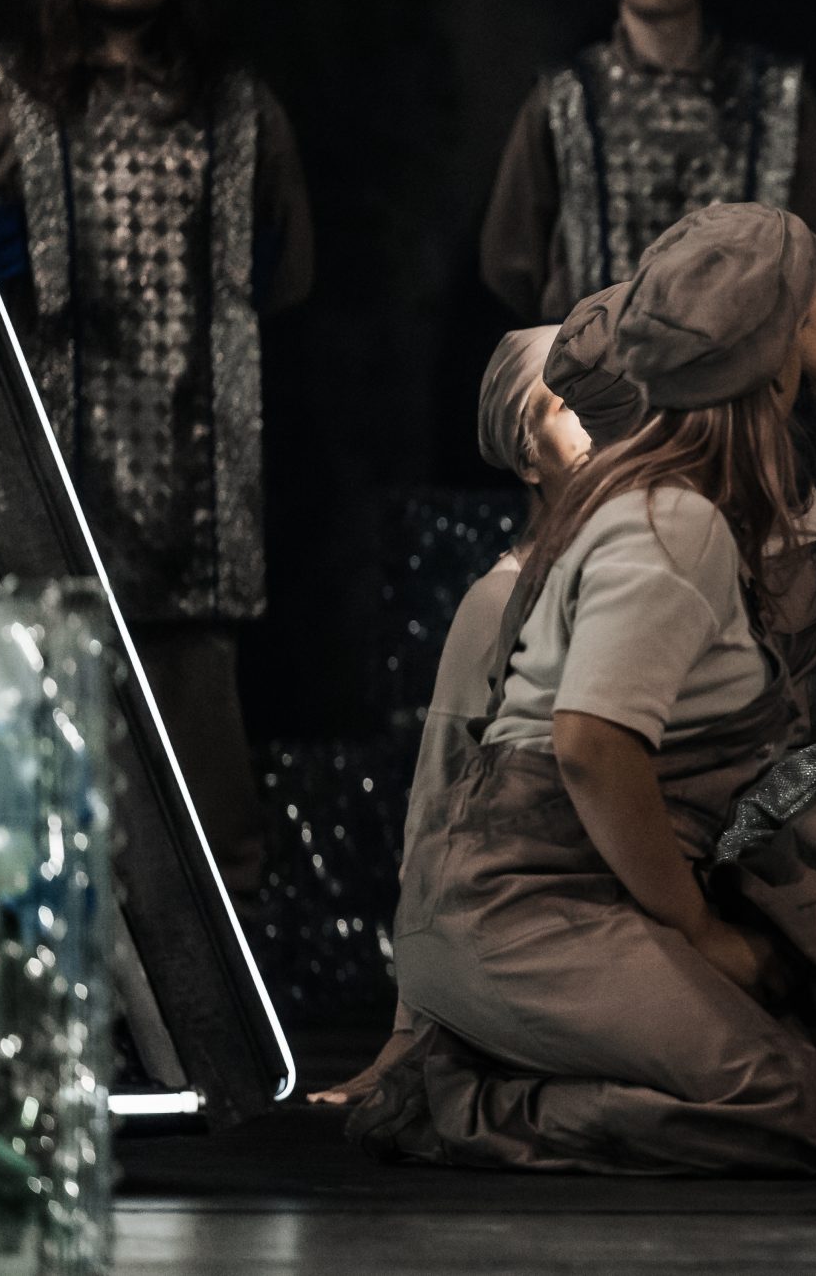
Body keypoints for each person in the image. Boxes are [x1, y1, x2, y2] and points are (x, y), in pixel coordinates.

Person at [359, 204, 816, 1173]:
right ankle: (463, 1097)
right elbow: (593, 748)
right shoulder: (672, 517)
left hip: (657, 869)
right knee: (798, 1106)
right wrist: (702, 931)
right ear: (772, 339)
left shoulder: (756, 490)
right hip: (532, 897)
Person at [0, 0, 314, 903]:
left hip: (191, 487)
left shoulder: (236, 107)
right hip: (41, 471)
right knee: (34, 774)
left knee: (204, 794)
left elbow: (286, 266)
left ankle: (222, 995)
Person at [309, 326, 592, 1105]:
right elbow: (436, 804)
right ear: (527, 455)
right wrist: (407, 1029)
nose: (601, 427)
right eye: (571, 407)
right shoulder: (497, 601)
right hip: (535, 921)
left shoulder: (654, 576)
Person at [479, 0, 816, 323]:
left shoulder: (775, 94)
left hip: (747, 352)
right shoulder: (565, 99)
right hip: (601, 356)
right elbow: (511, 254)